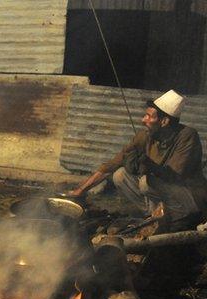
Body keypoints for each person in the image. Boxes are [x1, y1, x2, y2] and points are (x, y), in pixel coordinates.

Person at [69, 90, 207, 230]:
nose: (143, 120)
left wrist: (148, 165)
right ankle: (153, 216)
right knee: (120, 175)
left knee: (146, 182)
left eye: (148, 116)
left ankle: (179, 218)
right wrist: (81, 190)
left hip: (189, 197)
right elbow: (112, 165)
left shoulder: (187, 136)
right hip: (161, 189)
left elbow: (174, 175)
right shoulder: (145, 135)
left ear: (164, 121)